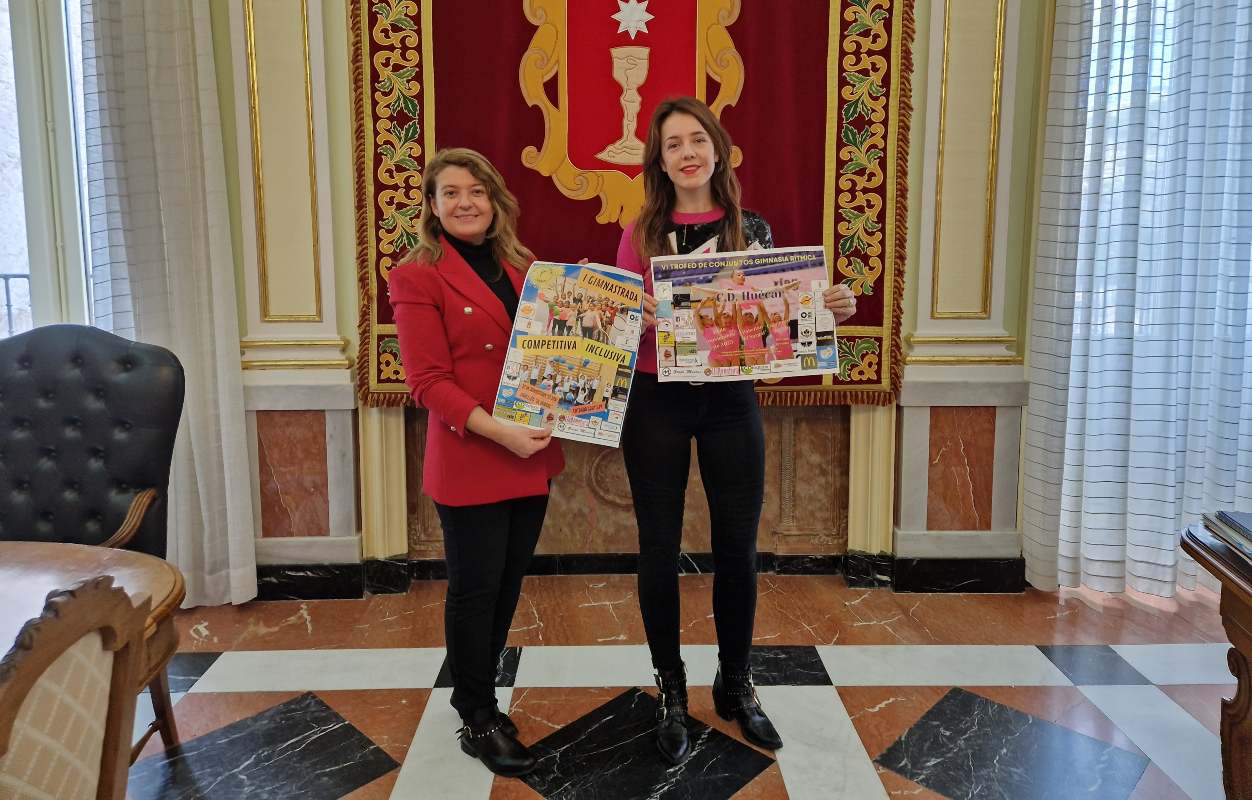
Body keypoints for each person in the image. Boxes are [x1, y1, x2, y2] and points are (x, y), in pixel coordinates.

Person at [615, 97, 858, 765]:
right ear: (659, 161)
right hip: (656, 400)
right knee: (659, 549)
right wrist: (628, 319)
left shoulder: (754, 229)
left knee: (737, 550)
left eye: (697, 139)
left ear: (717, 150)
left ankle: (736, 681)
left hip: (730, 404)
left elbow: (777, 331)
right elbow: (622, 325)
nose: (687, 151)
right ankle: (671, 688)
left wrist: (826, 307)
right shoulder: (640, 233)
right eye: (672, 144)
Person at [388, 147, 563, 779]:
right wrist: (501, 433)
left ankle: (482, 695)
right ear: (432, 207)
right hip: (472, 455)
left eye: (477, 191)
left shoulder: (527, 265)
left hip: (531, 454)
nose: (466, 202)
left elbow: (563, 351)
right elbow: (427, 382)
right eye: (451, 192)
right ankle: (476, 714)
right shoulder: (415, 276)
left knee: (508, 587)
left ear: (495, 201)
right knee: (475, 591)